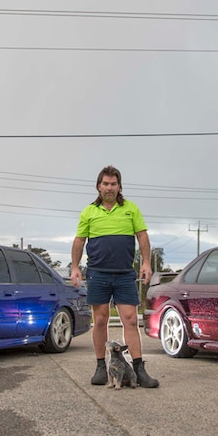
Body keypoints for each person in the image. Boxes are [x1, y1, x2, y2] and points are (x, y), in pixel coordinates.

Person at [70, 165, 159, 388]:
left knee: (130, 319)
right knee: (100, 320)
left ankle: (139, 369)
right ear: (98, 186)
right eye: (105, 184)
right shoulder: (88, 212)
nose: (109, 188)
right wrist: (74, 267)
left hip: (124, 275)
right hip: (98, 274)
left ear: (119, 187)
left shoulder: (131, 209)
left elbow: (143, 237)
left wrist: (146, 263)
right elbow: (79, 241)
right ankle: (101, 366)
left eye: (113, 184)